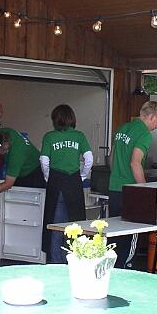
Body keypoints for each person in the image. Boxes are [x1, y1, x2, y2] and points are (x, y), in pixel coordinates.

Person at [108, 100, 157, 268]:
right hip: (131, 191)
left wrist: (117, 173)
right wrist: (144, 189)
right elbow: (135, 162)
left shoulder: (122, 128)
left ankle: (110, 271)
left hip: (114, 188)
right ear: (152, 116)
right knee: (130, 236)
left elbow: (111, 157)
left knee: (114, 235)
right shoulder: (144, 134)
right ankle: (126, 270)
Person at [40, 105, 94, 264]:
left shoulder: (49, 137)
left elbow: (44, 160)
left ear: (55, 120)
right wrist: (82, 175)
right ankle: (73, 262)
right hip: (74, 182)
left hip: (56, 181)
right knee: (76, 226)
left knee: (55, 226)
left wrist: (48, 177)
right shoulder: (79, 136)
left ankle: (55, 263)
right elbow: (89, 159)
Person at [0, 127, 45, 196]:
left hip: (33, 172)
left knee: (26, 196)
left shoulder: (17, 154)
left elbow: (8, 184)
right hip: (26, 163)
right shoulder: (5, 132)